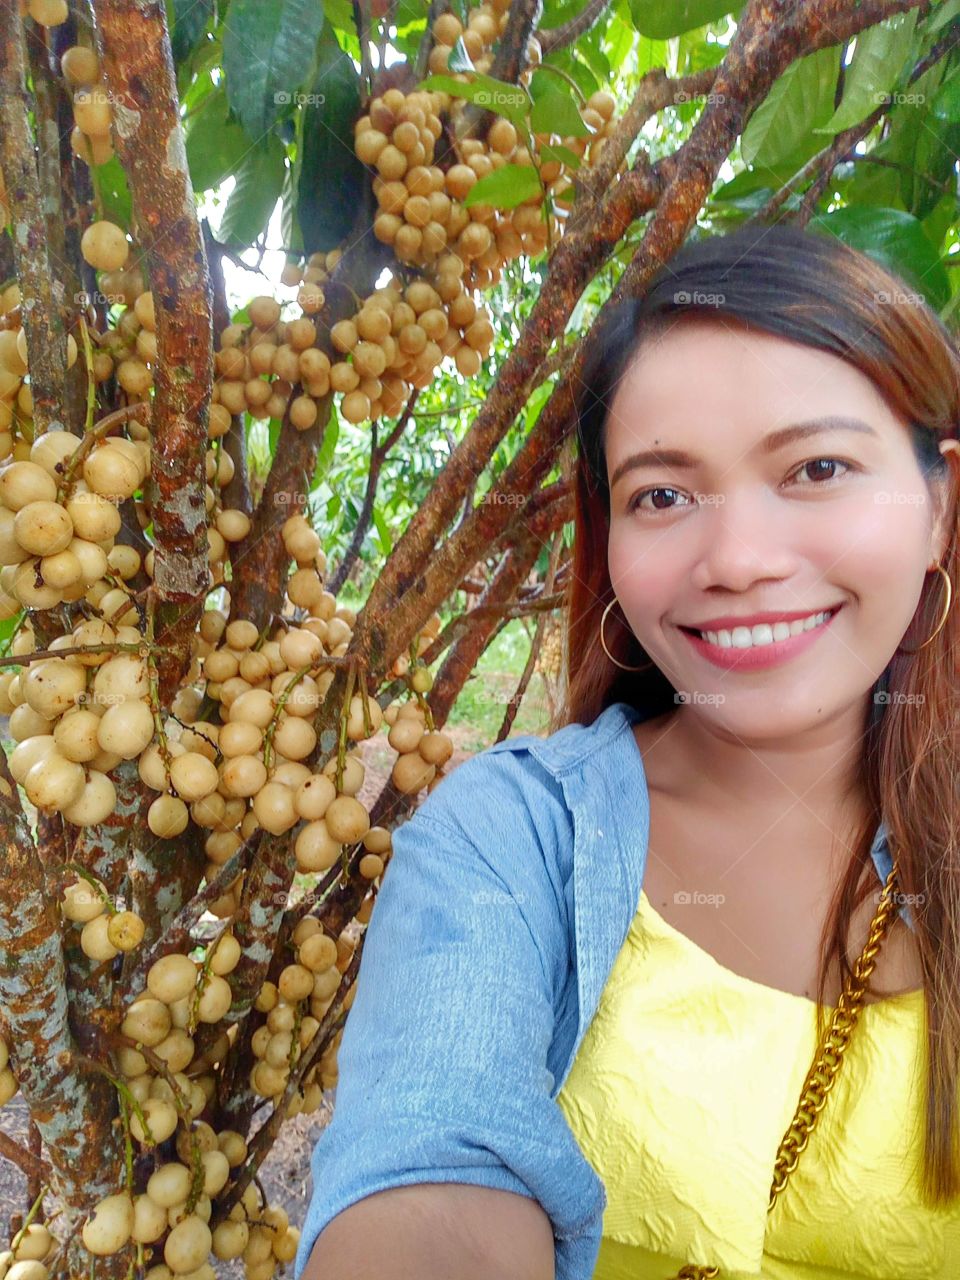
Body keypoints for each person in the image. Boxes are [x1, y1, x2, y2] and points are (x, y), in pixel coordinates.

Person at [295, 223, 960, 1280]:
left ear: (940, 503)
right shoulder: (508, 841)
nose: (738, 559)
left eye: (817, 466)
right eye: (663, 494)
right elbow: (431, 1167)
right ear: (611, 538)